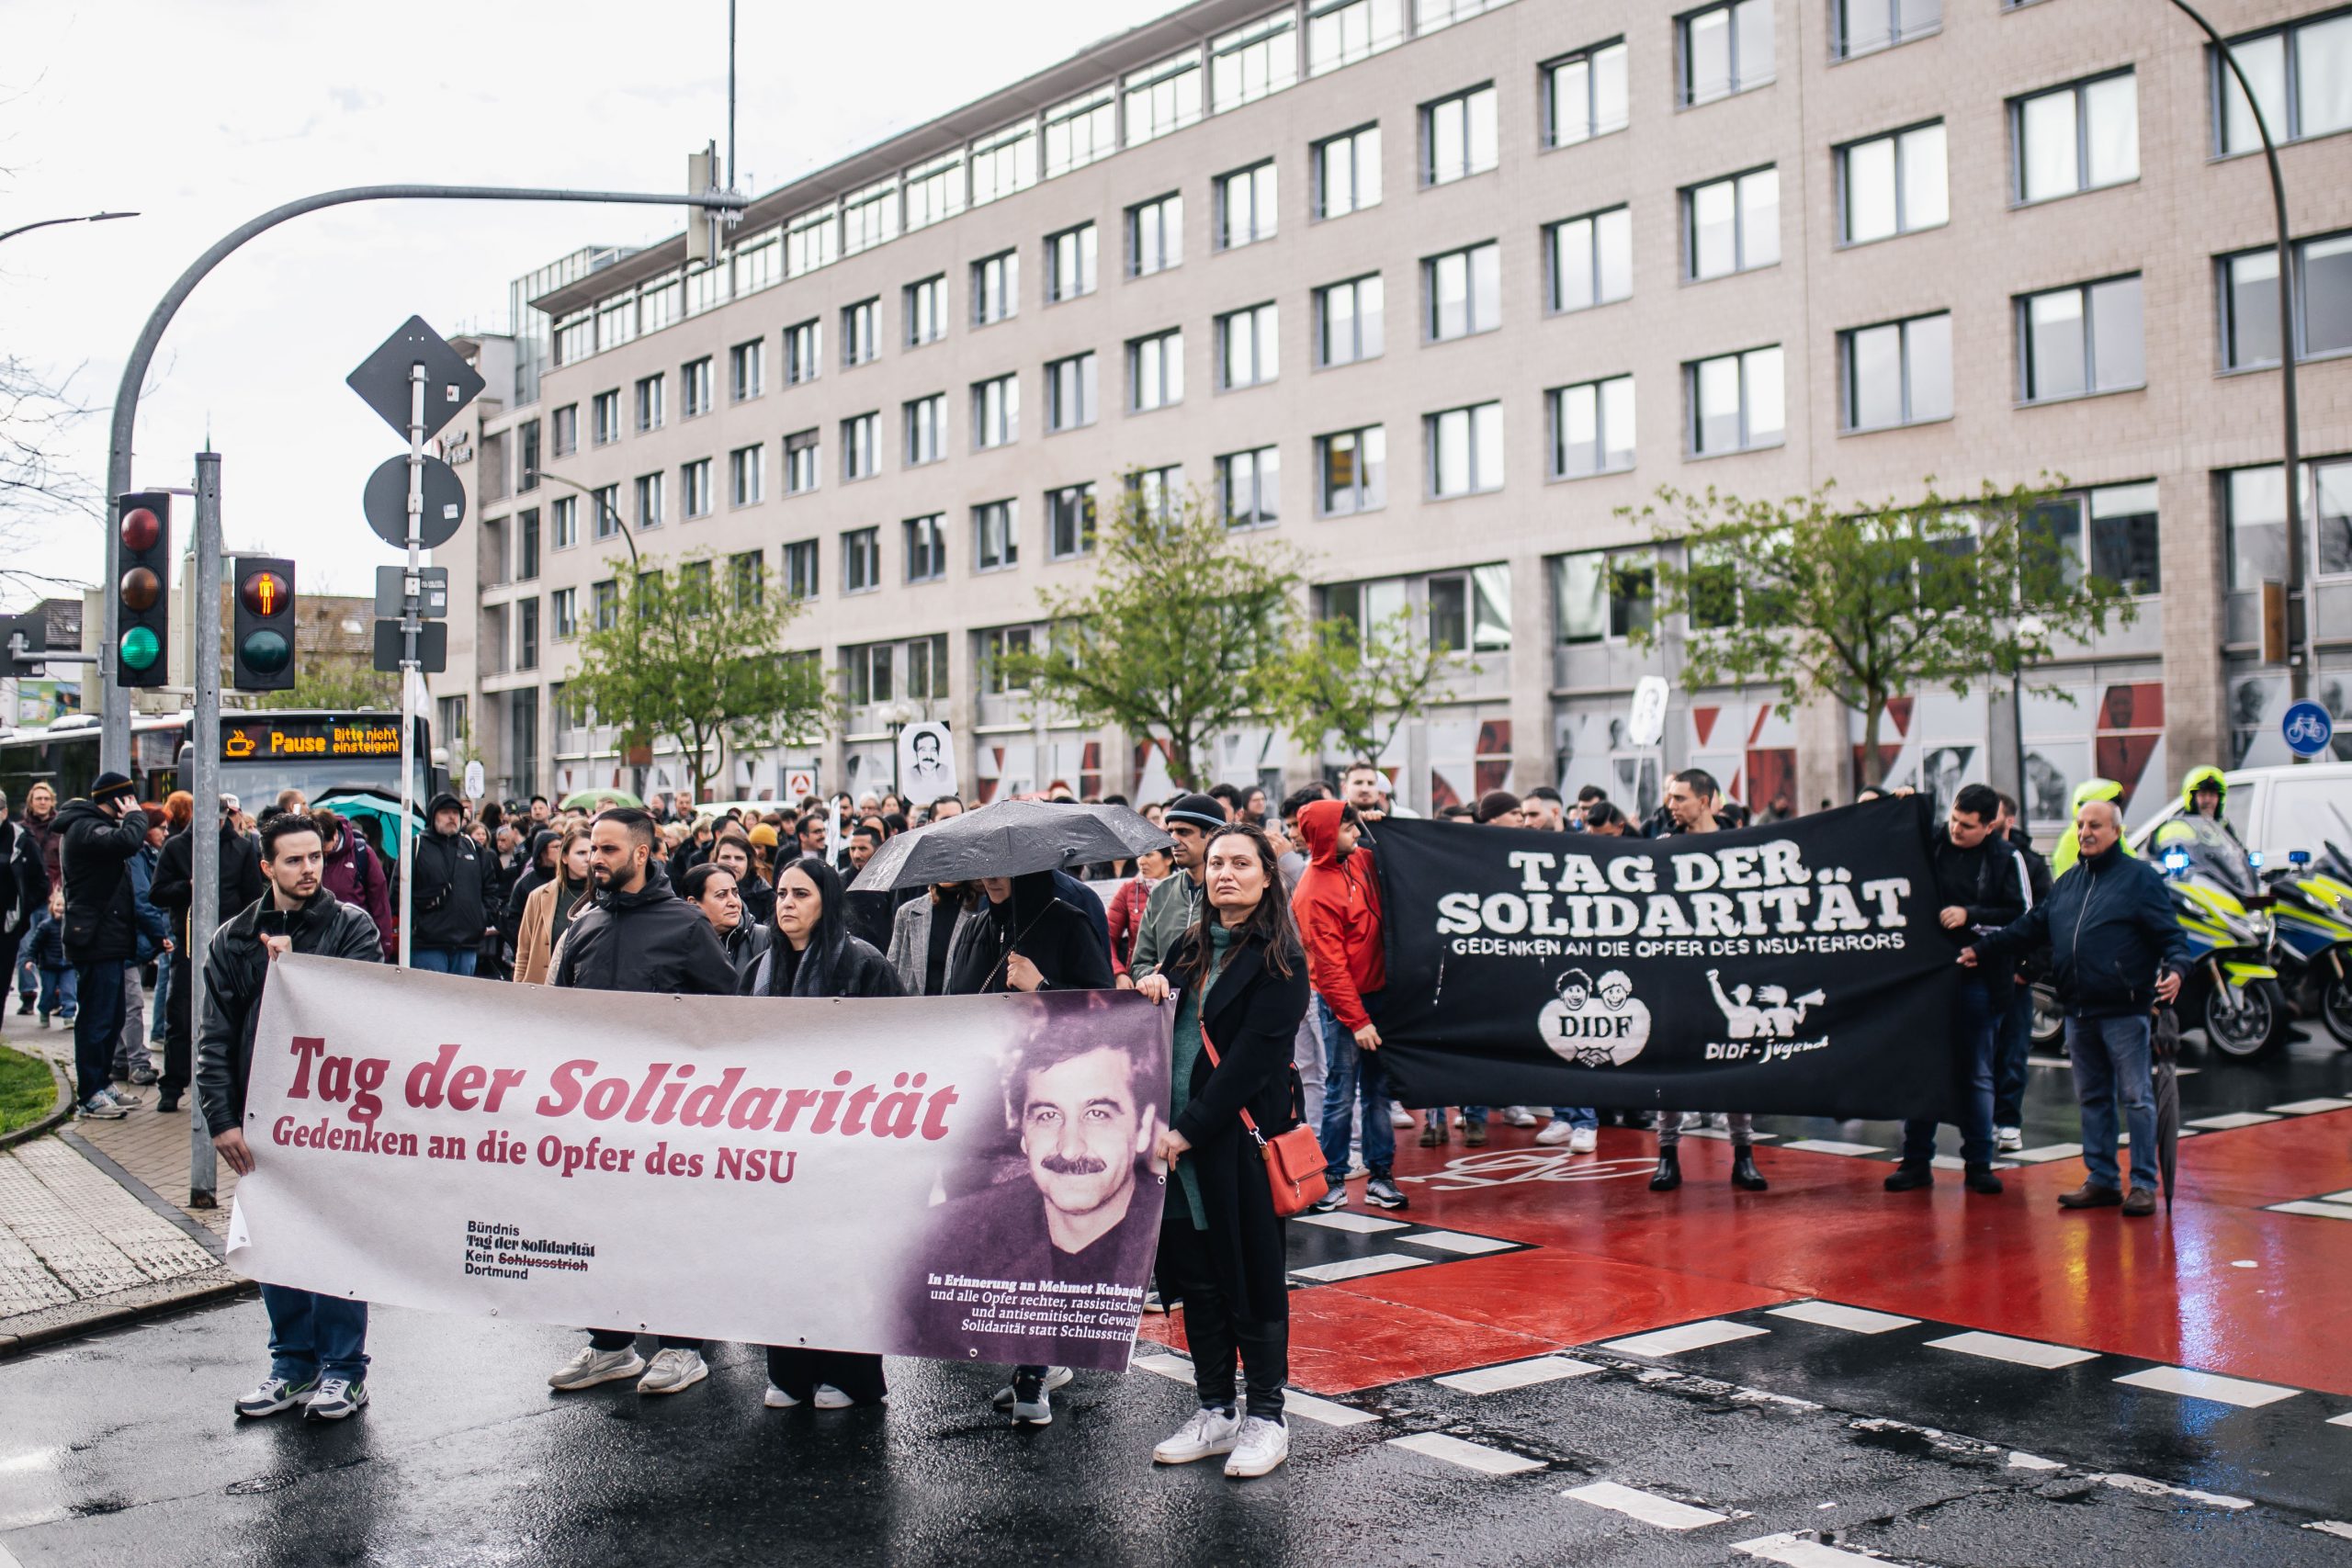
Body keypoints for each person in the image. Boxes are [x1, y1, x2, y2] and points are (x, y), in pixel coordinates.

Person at [1136, 824, 1309, 1479]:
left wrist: (1186, 1130)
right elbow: (1159, 1023)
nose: (1225, 873)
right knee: (1197, 1281)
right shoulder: (1186, 949)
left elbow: (1249, 1065)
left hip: (1232, 1148)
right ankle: (1215, 1408)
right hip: (1178, 1154)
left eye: (1241, 862)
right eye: (1216, 863)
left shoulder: (1281, 960)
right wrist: (1148, 987)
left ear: (1268, 875)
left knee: (1252, 1280)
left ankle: (1267, 1414)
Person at [547, 809, 739, 1395]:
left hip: (668, 1117)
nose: (594, 859)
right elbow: (556, 1010)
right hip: (593, 1116)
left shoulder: (685, 925)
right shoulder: (584, 926)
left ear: (641, 853)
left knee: (672, 1229)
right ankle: (611, 1346)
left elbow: (728, 1011)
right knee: (601, 1227)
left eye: (606, 849)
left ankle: (684, 1347)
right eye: (589, 849)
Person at [199, 813, 385, 1421]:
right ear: (267, 867)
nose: (309, 870)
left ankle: (344, 1370)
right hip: (261, 1117)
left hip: (331, 1115)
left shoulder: (349, 926)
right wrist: (221, 1118)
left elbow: (358, 1016)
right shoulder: (233, 938)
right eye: (294, 860)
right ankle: (293, 1365)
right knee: (276, 1245)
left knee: (333, 1241)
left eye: (315, 858)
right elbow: (216, 1036)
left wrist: (290, 967)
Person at [1963, 798, 2188, 1216]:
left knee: (2136, 1097)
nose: (2085, 832)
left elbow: (2172, 937)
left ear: (2116, 832)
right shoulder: (2067, 883)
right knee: (2093, 1098)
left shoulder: (2140, 880)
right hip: (2078, 1010)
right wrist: (1982, 950)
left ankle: (2142, 1185)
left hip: (2124, 1009)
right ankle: (2102, 1180)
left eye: (2096, 825)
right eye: (2081, 824)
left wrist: (2176, 968)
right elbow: (2027, 929)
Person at [741, 855, 903, 1410]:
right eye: (781, 894)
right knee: (781, 1257)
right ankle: (790, 1371)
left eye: (801, 894)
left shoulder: (864, 966)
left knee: (843, 1258)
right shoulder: (759, 969)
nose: (786, 904)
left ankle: (850, 1374)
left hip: (846, 1143)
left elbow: (899, 1051)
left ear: (827, 902)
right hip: (778, 1142)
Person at [1883, 784, 2030, 1197]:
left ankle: (1979, 1163)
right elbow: (1894, 839)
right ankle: (1916, 1161)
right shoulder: (1935, 840)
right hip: (1930, 977)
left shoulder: (2006, 858)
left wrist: (1972, 919)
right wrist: (1903, 804)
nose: (1956, 830)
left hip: (1980, 979)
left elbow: (2022, 918)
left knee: (1977, 1074)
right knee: (1924, 1069)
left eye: (1966, 826)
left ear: (1990, 826)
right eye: (1953, 820)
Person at [1650, 769, 1767, 1193]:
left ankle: (1743, 1156)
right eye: (1670, 797)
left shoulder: (1739, 845)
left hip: (1728, 967)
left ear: (1706, 800)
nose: (1672, 805)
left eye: (1680, 797)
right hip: (1676, 974)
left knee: (1736, 1062)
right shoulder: (1663, 847)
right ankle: (1667, 1158)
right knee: (1673, 1062)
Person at [1291, 801, 1406, 1213]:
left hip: (1377, 996)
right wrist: (1357, 1020)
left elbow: (1393, 853)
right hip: (1344, 1007)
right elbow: (1329, 966)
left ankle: (1380, 1177)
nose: (1355, 833)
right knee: (1342, 1092)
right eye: (1347, 828)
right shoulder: (1312, 892)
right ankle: (1334, 1177)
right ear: (1324, 835)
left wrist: (1380, 825)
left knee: (1377, 1091)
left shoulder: (1358, 859)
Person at [151, 794, 266, 1120]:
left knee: (232, 1017)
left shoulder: (242, 848)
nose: (216, 824)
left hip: (231, 945)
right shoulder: (175, 847)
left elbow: (252, 897)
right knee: (181, 1016)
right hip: (189, 943)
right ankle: (172, 1085)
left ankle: (232, 1091)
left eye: (221, 818)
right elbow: (157, 892)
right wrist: (189, 886)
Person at [57, 773, 151, 1120]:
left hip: (108, 938)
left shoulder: (94, 827)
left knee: (110, 1018)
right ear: (116, 801)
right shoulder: (84, 828)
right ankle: (89, 1094)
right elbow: (127, 842)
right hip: (94, 939)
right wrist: (135, 816)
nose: (133, 806)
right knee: (96, 1019)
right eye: (128, 800)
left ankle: (102, 1083)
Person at [1990, 793, 2052, 1152]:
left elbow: (2045, 920)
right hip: (1979, 975)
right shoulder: (1966, 858)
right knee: (1980, 1053)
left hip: (2014, 978)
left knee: (2012, 1051)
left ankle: (2008, 1121)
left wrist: (2028, 970)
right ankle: (1984, 1123)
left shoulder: (2029, 864)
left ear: (2008, 820)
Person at [1122, 794, 1223, 989]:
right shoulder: (1161, 891)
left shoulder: (1232, 891)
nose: (1173, 840)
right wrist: (1153, 977)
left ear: (1212, 835)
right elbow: (1139, 963)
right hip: (1166, 1012)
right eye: (1171, 832)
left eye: (1184, 832)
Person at [409, 794, 492, 976]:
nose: (452, 817)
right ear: (433, 816)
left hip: (467, 943)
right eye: (445, 812)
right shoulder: (416, 847)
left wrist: (482, 917)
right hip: (428, 944)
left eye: (456, 813)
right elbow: (399, 894)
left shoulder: (472, 847)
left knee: (461, 1001)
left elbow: (491, 888)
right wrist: (418, 922)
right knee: (432, 1000)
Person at [513, 825, 594, 985]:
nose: (588, 858)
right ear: (564, 857)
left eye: (593, 851)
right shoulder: (539, 896)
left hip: (584, 990)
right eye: (581, 853)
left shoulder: (603, 897)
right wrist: (518, 991)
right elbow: (524, 952)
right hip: (541, 990)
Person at [314, 812, 396, 961]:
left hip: (358, 937)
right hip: (320, 940)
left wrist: (385, 943)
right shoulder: (310, 859)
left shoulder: (361, 853)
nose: (323, 855)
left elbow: (379, 902)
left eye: (325, 850)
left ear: (335, 835)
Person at [887, 882, 983, 997]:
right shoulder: (907, 912)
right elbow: (891, 971)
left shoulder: (981, 914)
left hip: (959, 1009)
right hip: (913, 1010)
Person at [1106, 847, 1171, 979]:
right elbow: (1106, 936)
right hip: (1139, 979)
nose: (1141, 861)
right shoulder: (1129, 889)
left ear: (1169, 859)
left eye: (1148, 855)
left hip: (1178, 977)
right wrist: (1118, 973)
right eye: (1139, 855)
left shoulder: (1185, 888)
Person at [710, 831, 775, 928]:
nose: (732, 863)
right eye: (726, 857)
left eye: (739, 858)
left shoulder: (765, 896)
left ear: (749, 862)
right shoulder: (704, 891)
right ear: (716, 860)